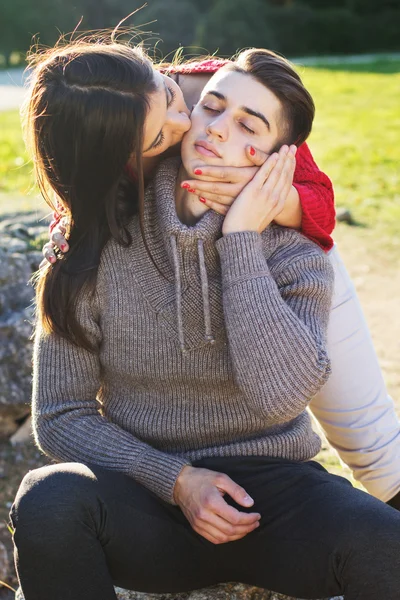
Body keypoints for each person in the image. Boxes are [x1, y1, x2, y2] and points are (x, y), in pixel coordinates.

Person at [11, 42, 400, 600]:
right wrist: (176, 480)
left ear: (276, 158)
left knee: (388, 540)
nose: (212, 128)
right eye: (212, 108)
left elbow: (279, 397)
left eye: (250, 127)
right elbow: (59, 415)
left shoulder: (296, 253)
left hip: (276, 499)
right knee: (48, 499)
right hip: (149, 502)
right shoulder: (91, 243)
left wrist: (241, 239)